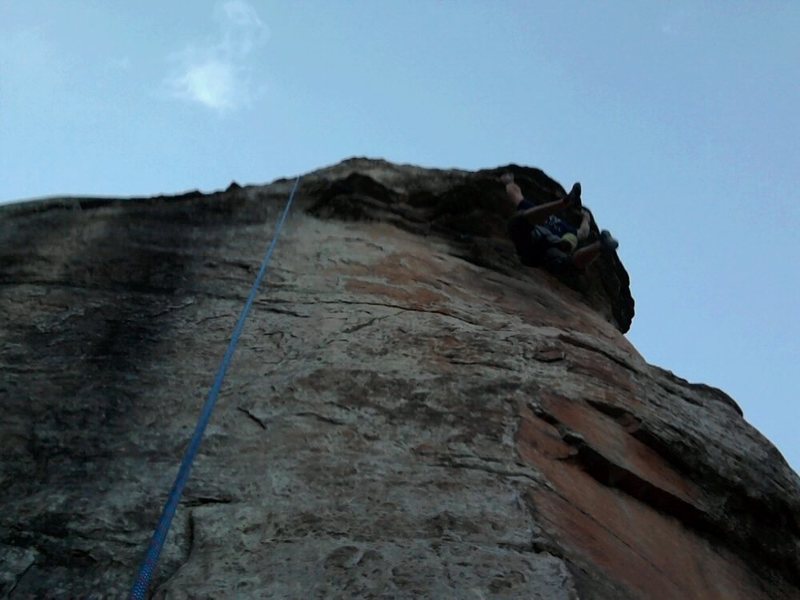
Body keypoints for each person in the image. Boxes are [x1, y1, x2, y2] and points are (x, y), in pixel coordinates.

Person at [501, 172, 618, 273]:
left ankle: (601, 246)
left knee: (569, 255)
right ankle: (596, 245)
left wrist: (586, 218)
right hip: (531, 240)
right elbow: (516, 195)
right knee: (522, 219)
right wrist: (509, 182)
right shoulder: (543, 214)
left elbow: (584, 232)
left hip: (543, 250)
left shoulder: (567, 228)